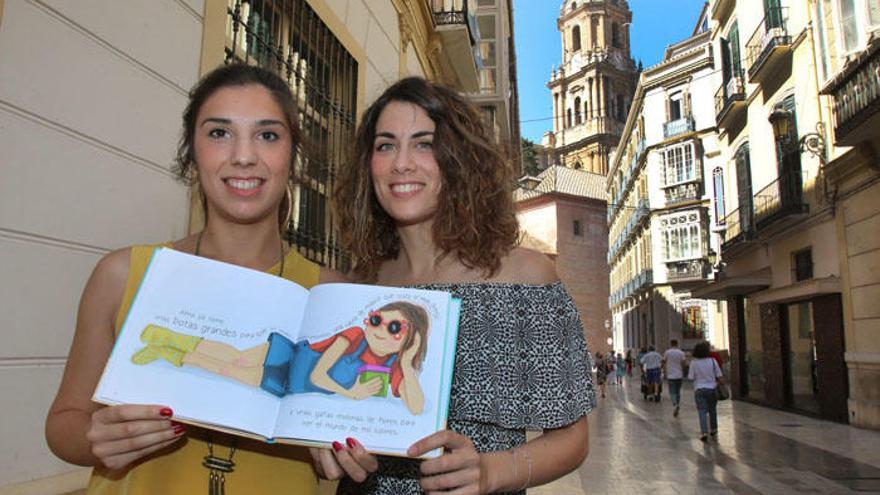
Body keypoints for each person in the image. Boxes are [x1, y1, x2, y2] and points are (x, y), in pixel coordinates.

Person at [45, 63, 346, 494]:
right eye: (219, 133)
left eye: (268, 135)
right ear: (192, 152)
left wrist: (341, 450)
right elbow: (63, 424)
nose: (244, 156)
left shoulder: (329, 295)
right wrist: (97, 439)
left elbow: (344, 435)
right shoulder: (123, 275)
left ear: (292, 155)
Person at [317, 77, 595, 494]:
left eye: (424, 143)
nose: (401, 163)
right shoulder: (360, 288)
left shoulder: (525, 279)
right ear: (367, 166)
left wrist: (492, 473)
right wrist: (330, 447)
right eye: (385, 145)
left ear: (457, 160)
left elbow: (573, 439)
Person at [129, 301, 430, 414]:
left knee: (229, 370)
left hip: (291, 385)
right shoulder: (353, 335)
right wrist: (350, 394)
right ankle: (170, 336)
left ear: (410, 337)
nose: (378, 329)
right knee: (238, 358)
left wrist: (406, 363)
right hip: (298, 359)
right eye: (376, 319)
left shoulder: (393, 368)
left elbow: (416, 409)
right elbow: (318, 375)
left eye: (394, 327)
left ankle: (168, 352)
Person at [688, 341, 724, 441]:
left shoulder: (694, 363)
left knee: (702, 411)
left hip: (699, 389)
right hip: (712, 388)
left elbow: (690, 377)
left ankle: (704, 432)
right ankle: (713, 428)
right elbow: (719, 375)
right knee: (712, 409)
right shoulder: (712, 361)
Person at [663, 339, 686, 417]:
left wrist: (665, 371)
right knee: (678, 391)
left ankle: (675, 404)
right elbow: (683, 363)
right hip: (679, 374)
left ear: (671, 344)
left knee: (672, 391)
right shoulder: (681, 353)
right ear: (677, 344)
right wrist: (682, 370)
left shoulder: (667, 352)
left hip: (671, 375)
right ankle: (677, 403)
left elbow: (664, 361)